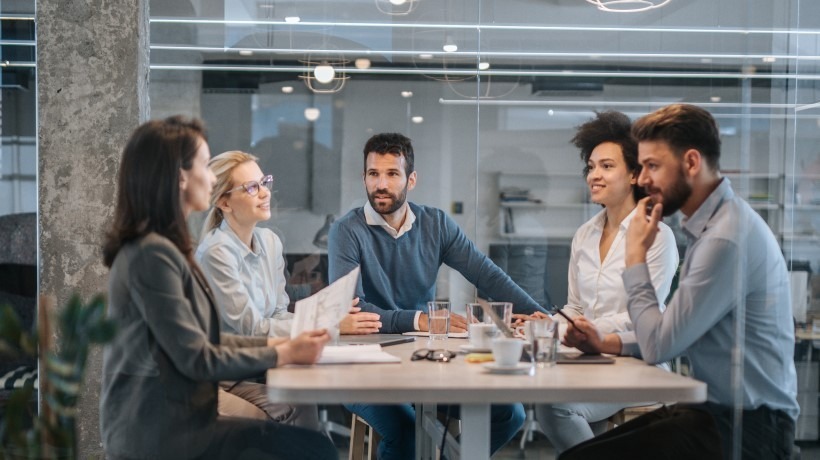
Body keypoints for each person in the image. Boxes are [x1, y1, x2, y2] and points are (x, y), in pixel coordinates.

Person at [561, 104, 799, 460]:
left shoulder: (723, 239)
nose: (642, 180)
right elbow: (674, 331)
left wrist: (635, 258)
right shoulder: (712, 228)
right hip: (712, 411)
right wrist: (606, 342)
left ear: (690, 163)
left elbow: (660, 345)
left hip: (748, 426)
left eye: (653, 167)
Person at [100, 116, 337, 460]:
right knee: (313, 449)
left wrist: (285, 344)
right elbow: (196, 356)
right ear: (180, 177)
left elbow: (204, 340)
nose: (211, 178)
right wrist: (284, 351)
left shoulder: (165, 248)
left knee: (311, 445)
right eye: (204, 166)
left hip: (175, 416)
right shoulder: (153, 254)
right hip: (156, 428)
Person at [328, 132, 544, 459]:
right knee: (406, 431)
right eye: (373, 174)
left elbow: (487, 275)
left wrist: (543, 317)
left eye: (392, 174)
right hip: (361, 364)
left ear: (411, 179)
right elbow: (354, 312)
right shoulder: (346, 231)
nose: (381, 184)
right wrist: (420, 319)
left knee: (509, 414)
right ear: (364, 178)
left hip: (420, 361)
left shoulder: (436, 224)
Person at [194, 150, 382, 429]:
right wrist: (328, 324)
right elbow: (252, 329)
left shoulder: (269, 241)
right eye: (251, 187)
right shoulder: (216, 252)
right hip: (221, 374)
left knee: (303, 403)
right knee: (295, 413)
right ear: (224, 202)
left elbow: (279, 312)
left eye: (264, 182)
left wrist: (323, 321)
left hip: (257, 368)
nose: (264, 193)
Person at [534, 111, 679, 455]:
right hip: (589, 361)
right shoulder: (584, 235)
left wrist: (585, 331)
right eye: (591, 166)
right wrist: (549, 325)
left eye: (606, 166)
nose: (594, 175)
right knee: (541, 392)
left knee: (554, 406)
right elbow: (575, 307)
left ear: (633, 174)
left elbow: (643, 318)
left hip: (637, 366)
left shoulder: (657, 236)